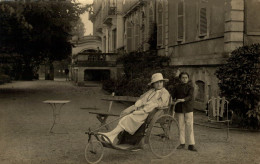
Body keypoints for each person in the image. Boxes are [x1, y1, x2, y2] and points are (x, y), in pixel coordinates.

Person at [100, 73, 170, 144]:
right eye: (156, 82)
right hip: (142, 110)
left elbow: (161, 104)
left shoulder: (165, 93)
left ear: (163, 82)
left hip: (150, 112)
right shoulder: (151, 91)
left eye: (160, 82)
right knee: (125, 115)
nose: (159, 84)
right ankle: (111, 137)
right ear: (153, 84)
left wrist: (145, 109)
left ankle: (109, 135)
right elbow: (143, 99)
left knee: (128, 118)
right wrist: (138, 105)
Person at [172, 72, 197, 151]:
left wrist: (183, 99)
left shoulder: (191, 87)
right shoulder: (177, 87)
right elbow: (173, 96)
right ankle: (182, 143)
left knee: (190, 126)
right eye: (183, 78)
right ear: (180, 79)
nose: (184, 79)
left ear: (188, 78)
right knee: (180, 126)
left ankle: (191, 144)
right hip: (179, 108)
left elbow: (190, 96)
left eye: (186, 77)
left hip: (188, 108)